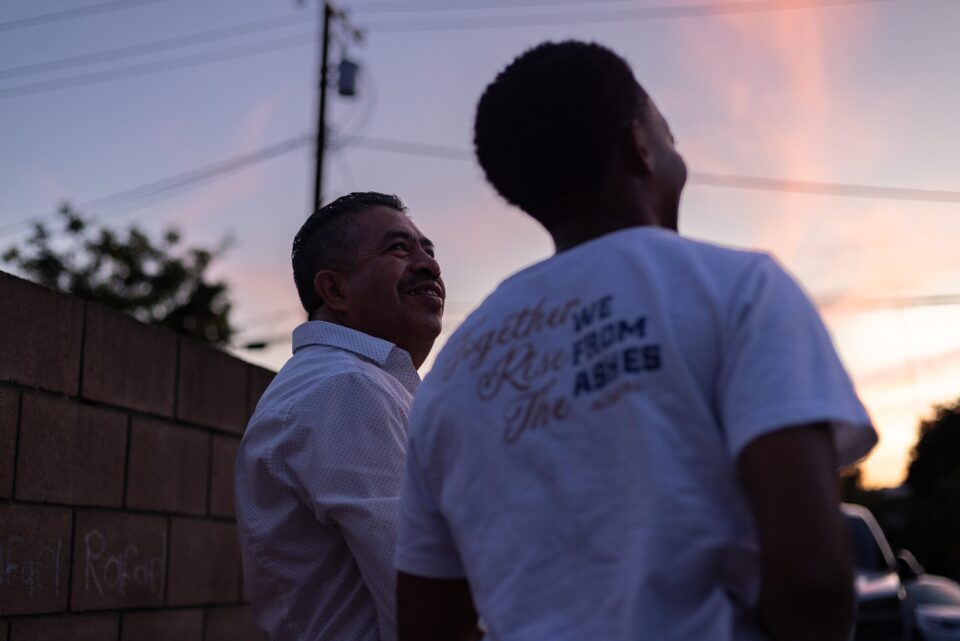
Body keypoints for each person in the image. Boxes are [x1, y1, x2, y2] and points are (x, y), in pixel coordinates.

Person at [394, 41, 877, 641]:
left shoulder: (455, 369)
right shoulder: (741, 289)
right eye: (668, 135)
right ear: (639, 147)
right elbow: (813, 579)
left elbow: (426, 623)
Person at [235, 191, 444, 641]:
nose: (429, 264)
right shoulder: (346, 388)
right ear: (335, 290)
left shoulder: (355, 383)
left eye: (428, 249)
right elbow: (427, 598)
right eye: (398, 249)